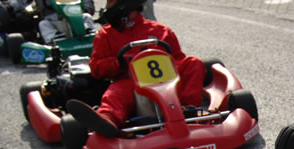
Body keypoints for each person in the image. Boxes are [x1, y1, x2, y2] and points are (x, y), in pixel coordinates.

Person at [65, 0, 204, 137]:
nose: (107, 7)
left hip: (168, 83)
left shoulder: (161, 31)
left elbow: (178, 59)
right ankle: (108, 119)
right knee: (115, 93)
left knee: (193, 63)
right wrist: (118, 63)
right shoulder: (106, 35)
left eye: (111, 2)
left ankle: (189, 110)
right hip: (131, 85)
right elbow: (96, 68)